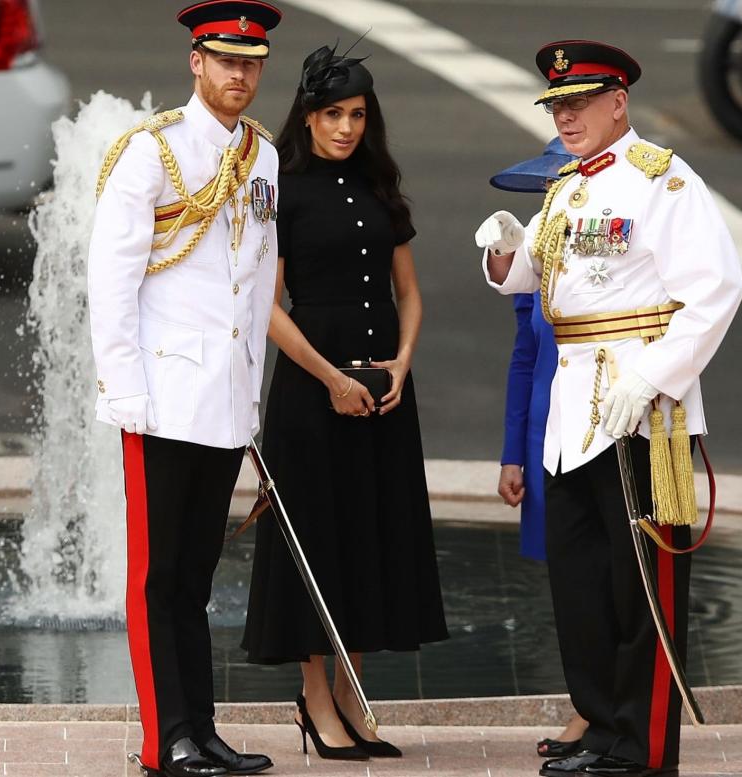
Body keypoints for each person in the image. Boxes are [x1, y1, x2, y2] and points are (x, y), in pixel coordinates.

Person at [476, 41, 742, 777]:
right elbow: (534, 275)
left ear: (617, 102)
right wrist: (504, 252)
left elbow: (717, 289)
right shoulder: (566, 187)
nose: (566, 116)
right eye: (557, 105)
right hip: (573, 417)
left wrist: (655, 375)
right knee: (583, 583)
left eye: (580, 103)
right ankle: (602, 722)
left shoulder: (663, 180)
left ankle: (644, 745)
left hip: (645, 415)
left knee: (643, 591)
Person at [87, 2, 283, 775]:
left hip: (224, 402)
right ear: (195, 63)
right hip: (162, 396)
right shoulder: (150, 153)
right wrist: (125, 390)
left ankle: (199, 729)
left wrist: (252, 400)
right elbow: (112, 281)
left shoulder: (262, 158)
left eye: (252, 62)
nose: (240, 75)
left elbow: (257, 281)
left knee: (195, 578)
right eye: (225, 60)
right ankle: (163, 739)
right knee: (156, 577)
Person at [240, 43, 449, 761]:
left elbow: (411, 294)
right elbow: (266, 306)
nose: (346, 127)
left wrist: (403, 364)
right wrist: (330, 375)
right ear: (308, 115)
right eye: (333, 114)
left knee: (374, 530)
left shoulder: (379, 186)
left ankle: (356, 694)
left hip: (384, 387)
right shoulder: (282, 188)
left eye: (358, 115)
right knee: (315, 535)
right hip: (310, 384)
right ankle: (315, 697)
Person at [492, 139, 590, 759]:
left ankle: (600, 708)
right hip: (543, 436)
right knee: (569, 583)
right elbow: (525, 357)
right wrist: (511, 454)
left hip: (600, 430)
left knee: (603, 579)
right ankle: (587, 701)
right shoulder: (542, 246)